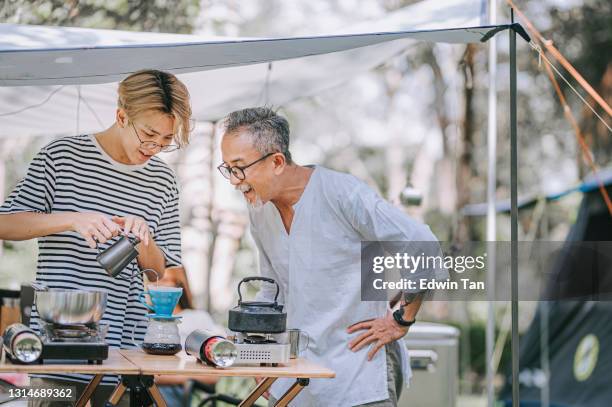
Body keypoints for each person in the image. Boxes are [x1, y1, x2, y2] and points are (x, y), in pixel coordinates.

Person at [218, 107, 440, 407]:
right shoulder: (260, 209)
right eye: (228, 168)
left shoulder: (343, 193)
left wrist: (402, 319)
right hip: (295, 378)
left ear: (277, 162)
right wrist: (262, 353)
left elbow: (422, 244)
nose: (234, 179)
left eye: (239, 167)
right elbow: (273, 288)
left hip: (359, 374)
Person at [0, 69, 192, 407]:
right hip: (57, 345)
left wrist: (145, 240)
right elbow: (5, 224)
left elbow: (160, 270)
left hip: (127, 350)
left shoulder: (162, 180)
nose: (155, 147)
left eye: (166, 140)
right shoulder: (61, 157)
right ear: (121, 116)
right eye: (148, 134)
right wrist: (72, 220)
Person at [153, 266, 225, 406]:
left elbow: (213, 376)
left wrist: (161, 377)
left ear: (180, 285)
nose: (159, 286)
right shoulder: (145, 320)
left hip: (175, 386)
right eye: (154, 281)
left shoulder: (197, 318)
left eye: (166, 280)